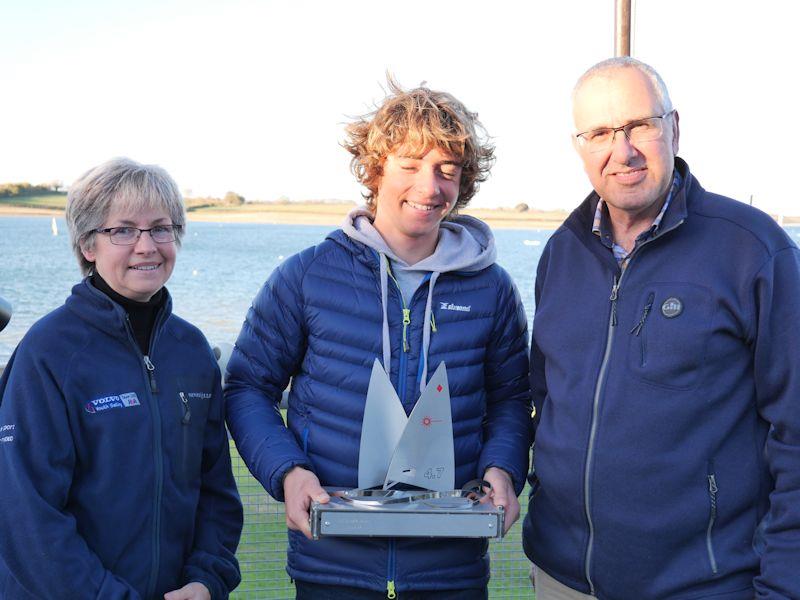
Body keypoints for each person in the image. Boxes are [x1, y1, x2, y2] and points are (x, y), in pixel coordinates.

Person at [225, 80, 532, 599]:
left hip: (450, 572)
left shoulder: (492, 289)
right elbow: (247, 388)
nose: (430, 187)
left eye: (447, 170)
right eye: (410, 165)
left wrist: (502, 469)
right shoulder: (308, 276)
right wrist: (288, 473)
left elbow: (511, 399)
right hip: (332, 568)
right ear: (375, 170)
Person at [522, 56, 800, 599]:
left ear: (674, 127)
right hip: (561, 581)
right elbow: (544, 397)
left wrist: (784, 586)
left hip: (703, 585)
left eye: (639, 126)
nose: (621, 150)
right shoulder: (561, 253)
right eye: (600, 132)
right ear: (580, 147)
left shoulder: (754, 251)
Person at [0, 158, 243, 599]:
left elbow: (216, 494)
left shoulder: (192, 352)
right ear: (88, 245)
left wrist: (206, 580)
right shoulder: (48, 353)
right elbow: (25, 515)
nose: (146, 246)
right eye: (123, 230)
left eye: (160, 228)